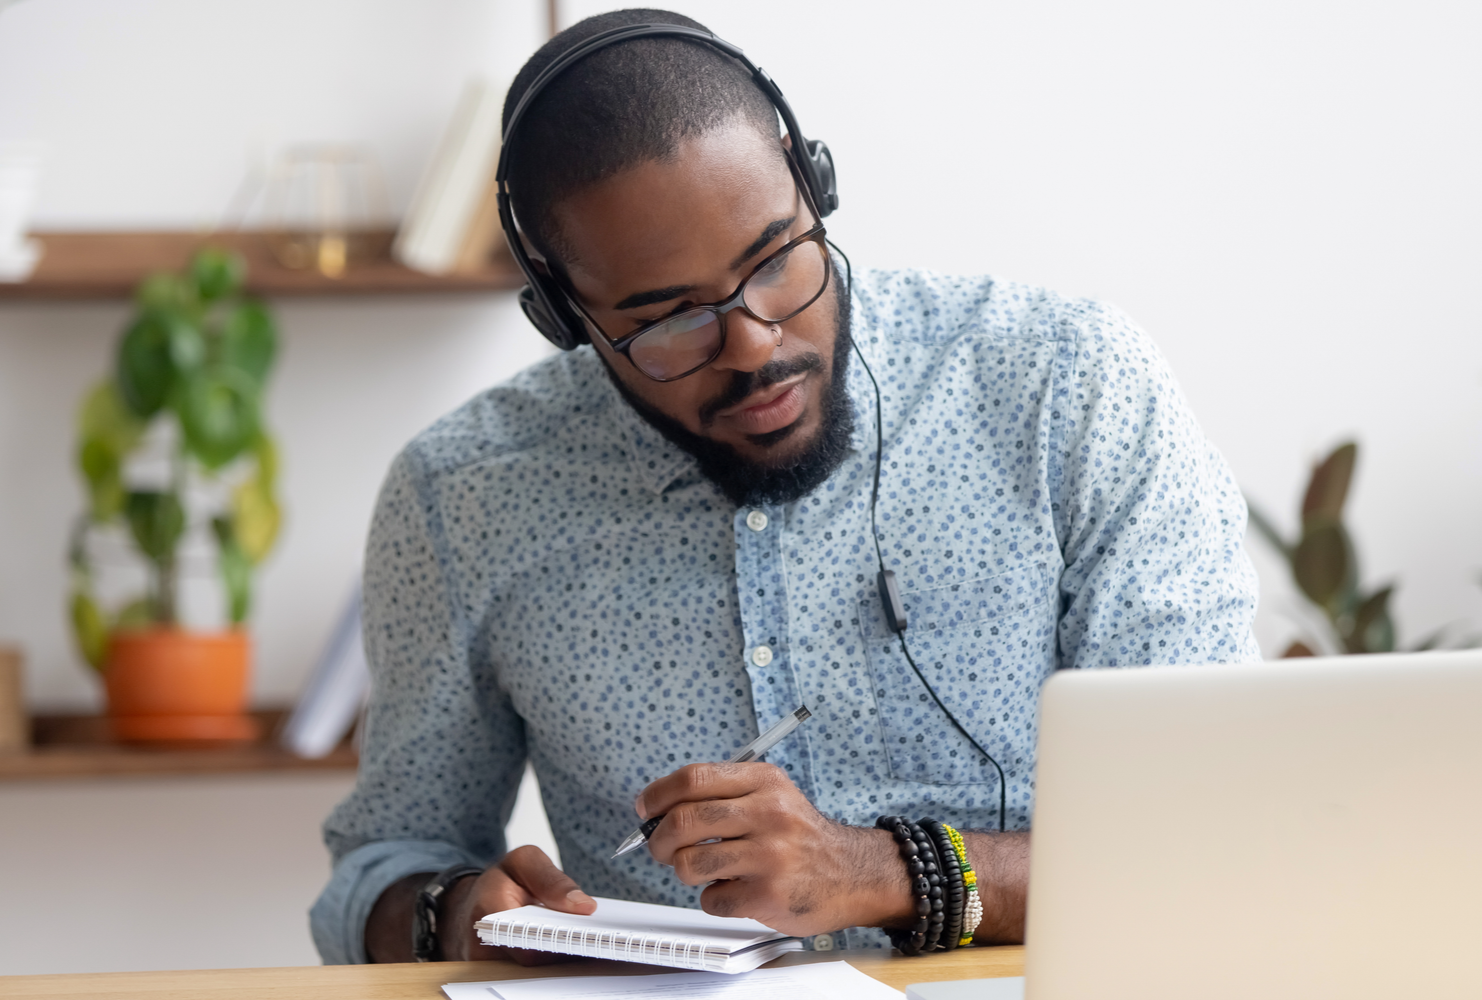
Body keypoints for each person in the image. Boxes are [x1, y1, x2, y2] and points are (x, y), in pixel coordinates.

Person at [311, 8, 1260, 965]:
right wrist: (455, 910)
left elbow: (1220, 833)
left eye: (774, 260)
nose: (754, 342)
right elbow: (382, 867)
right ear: (563, 315)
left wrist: (880, 872)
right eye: (668, 320)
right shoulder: (460, 496)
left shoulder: (1069, 387)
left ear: (816, 186)